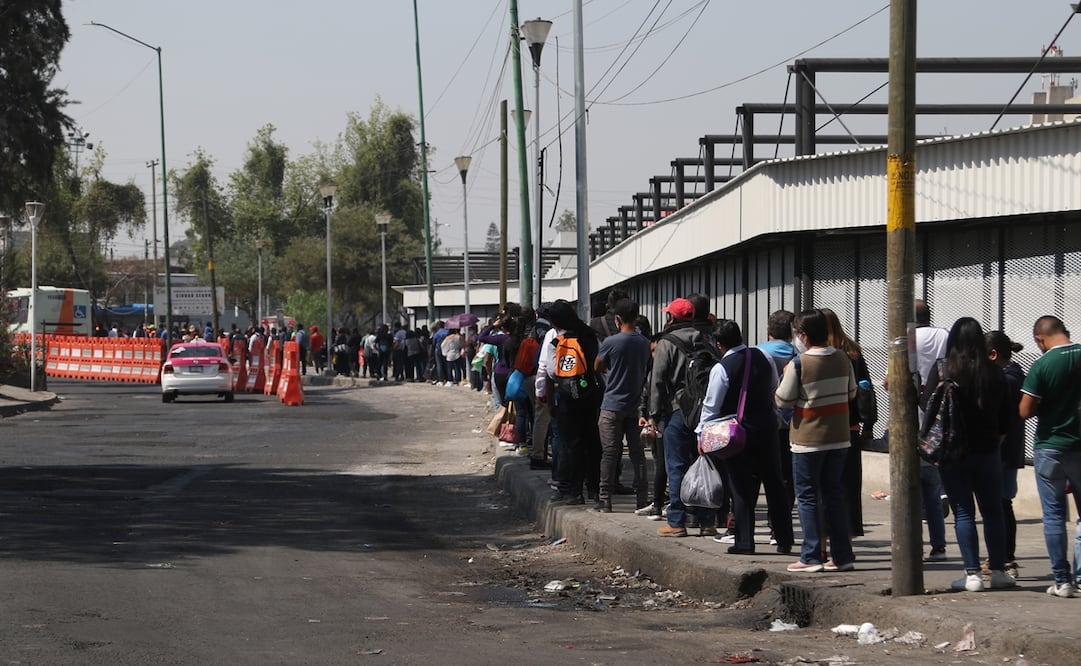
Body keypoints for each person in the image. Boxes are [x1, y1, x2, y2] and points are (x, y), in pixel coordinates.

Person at [922, 317, 1014, 592]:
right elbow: (1007, 418)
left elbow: (927, 403)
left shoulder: (943, 370)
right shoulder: (995, 372)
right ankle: (998, 570)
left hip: (953, 453)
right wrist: (995, 441)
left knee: (963, 513)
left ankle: (972, 574)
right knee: (993, 511)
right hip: (988, 452)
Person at [699, 319, 793, 555]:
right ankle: (784, 539)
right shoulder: (764, 357)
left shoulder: (722, 368)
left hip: (738, 434)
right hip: (767, 428)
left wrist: (701, 434)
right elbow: (774, 388)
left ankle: (744, 541)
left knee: (741, 487)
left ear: (719, 344)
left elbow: (711, 406)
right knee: (774, 483)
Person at [775, 308, 856, 572]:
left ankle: (811, 555)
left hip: (808, 439)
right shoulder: (843, 357)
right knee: (834, 495)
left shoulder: (799, 363)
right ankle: (842, 556)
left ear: (803, 335)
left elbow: (782, 399)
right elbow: (852, 392)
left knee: (807, 496)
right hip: (839, 437)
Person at [1019, 315, 1081, 598]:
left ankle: (1062, 580)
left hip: (1050, 446)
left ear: (1039, 339)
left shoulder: (1042, 365)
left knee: (1054, 516)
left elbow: (1025, 410)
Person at [647, 297, 716, 537]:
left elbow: (657, 380)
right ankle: (707, 521)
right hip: (705, 410)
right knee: (704, 463)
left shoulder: (667, 343)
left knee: (676, 465)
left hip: (677, 410)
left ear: (673, 318)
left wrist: (654, 413)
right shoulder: (706, 338)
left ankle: (677, 521)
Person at [594, 298, 651, 513]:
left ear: (617, 319)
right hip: (636, 407)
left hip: (611, 405)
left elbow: (597, 366)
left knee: (609, 453)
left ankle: (605, 499)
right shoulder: (645, 343)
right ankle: (642, 499)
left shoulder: (611, 343)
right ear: (636, 317)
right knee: (638, 455)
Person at [820, 308, 873, 538]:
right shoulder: (852, 350)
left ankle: (830, 533)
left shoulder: (822, 353)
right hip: (851, 425)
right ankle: (850, 530)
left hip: (827, 426)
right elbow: (866, 389)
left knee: (827, 484)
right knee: (850, 483)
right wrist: (868, 424)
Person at [544, 300, 602, 506]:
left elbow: (551, 371)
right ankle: (595, 490)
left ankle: (573, 491)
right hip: (590, 396)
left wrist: (549, 400)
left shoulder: (557, 342)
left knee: (572, 445)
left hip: (568, 398)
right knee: (592, 442)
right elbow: (599, 364)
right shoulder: (590, 335)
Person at [913, 299, 951, 562]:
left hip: (912, 413)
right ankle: (938, 545)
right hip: (938, 410)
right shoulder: (944, 335)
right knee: (933, 482)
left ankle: (911, 542)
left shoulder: (905, 338)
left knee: (910, 489)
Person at [985, 330, 1025, 578]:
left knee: (1001, 504)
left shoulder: (1008, 380)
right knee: (1000, 503)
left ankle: (1005, 558)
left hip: (1004, 451)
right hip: (1006, 450)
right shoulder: (1011, 375)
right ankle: (1001, 557)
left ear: (993, 354)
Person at [756, 310, 797, 511]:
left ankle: (740, 527)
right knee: (785, 476)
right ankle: (780, 524)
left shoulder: (755, 353)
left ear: (768, 329)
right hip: (791, 424)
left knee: (756, 474)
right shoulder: (798, 356)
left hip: (759, 422)